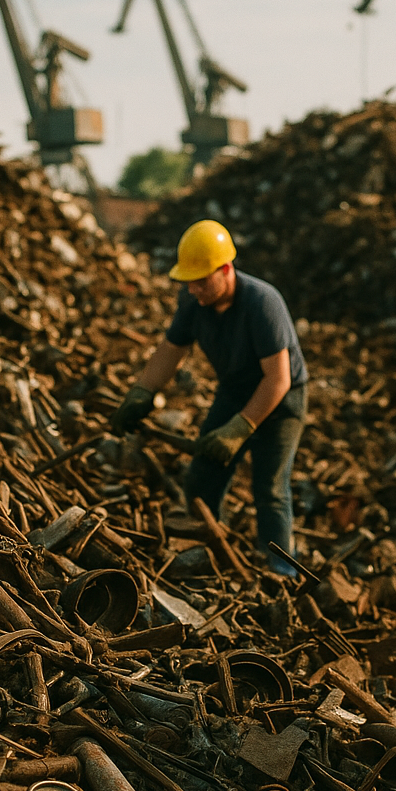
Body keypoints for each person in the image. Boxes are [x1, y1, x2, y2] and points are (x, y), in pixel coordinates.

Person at [111, 219, 308, 575]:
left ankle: (281, 568)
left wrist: (240, 429)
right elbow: (170, 352)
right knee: (202, 474)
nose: (195, 290)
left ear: (226, 269)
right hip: (234, 391)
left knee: (270, 486)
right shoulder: (194, 302)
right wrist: (141, 393)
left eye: (202, 281)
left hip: (281, 401)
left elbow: (278, 380)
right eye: (190, 282)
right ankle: (209, 550)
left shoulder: (262, 303)